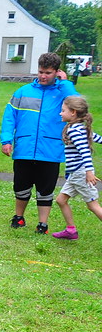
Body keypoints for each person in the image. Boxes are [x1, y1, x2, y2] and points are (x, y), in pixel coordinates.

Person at [0, 52, 79, 234]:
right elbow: (9, 117)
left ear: (57, 72)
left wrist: (65, 82)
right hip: (24, 149)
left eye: (48, 73)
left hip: (50, 150)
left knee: (46, 189)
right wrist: (6, 139)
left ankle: (42, 224)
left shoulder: (63, 93)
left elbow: (79, 104)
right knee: (21, 186)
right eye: (41, 72)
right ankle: (19, 217)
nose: (43, 76)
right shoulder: (23, 92)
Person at [52, 97, 102, 239]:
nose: (60, 113)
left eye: (63, 111)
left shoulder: (74, 131)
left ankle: (71, 230)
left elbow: (85, 151)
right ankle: (71, 230)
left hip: (81, 174)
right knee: (61, 200)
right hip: (75, 175)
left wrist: (89, 172)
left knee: (93, 205)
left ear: (73, 112)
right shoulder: (79, 128)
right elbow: (96, 138)